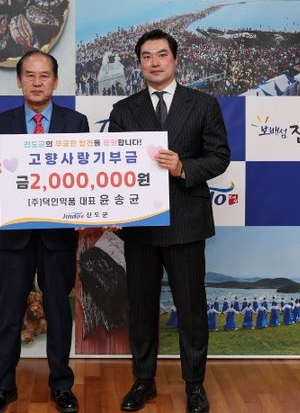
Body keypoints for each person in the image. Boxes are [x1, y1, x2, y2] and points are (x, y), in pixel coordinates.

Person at [109, 29, 230, 413]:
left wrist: (183, 167)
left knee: (191, 309)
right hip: (141, 225)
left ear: (176, 59)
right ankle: (143, 381)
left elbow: (220, 156)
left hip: (186, 222)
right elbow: (111, 167)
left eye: (162, 54)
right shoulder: (124, 110)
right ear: (139, 64)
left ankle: (194, 384)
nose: (155, 62)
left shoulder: (203, 104)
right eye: (146, 56)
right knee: (141, 308)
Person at [0, 50, 89, 413]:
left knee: (58, 311)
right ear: (19, 81)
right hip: (14, 233)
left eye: (44, 76)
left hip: (57, 234)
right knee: (9, 312)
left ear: (55, 81)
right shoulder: (2, 121)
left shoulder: (76, 122)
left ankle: (62, 385)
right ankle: (3, 386)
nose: (37, 82)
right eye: (30, 75)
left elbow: (87, 174)